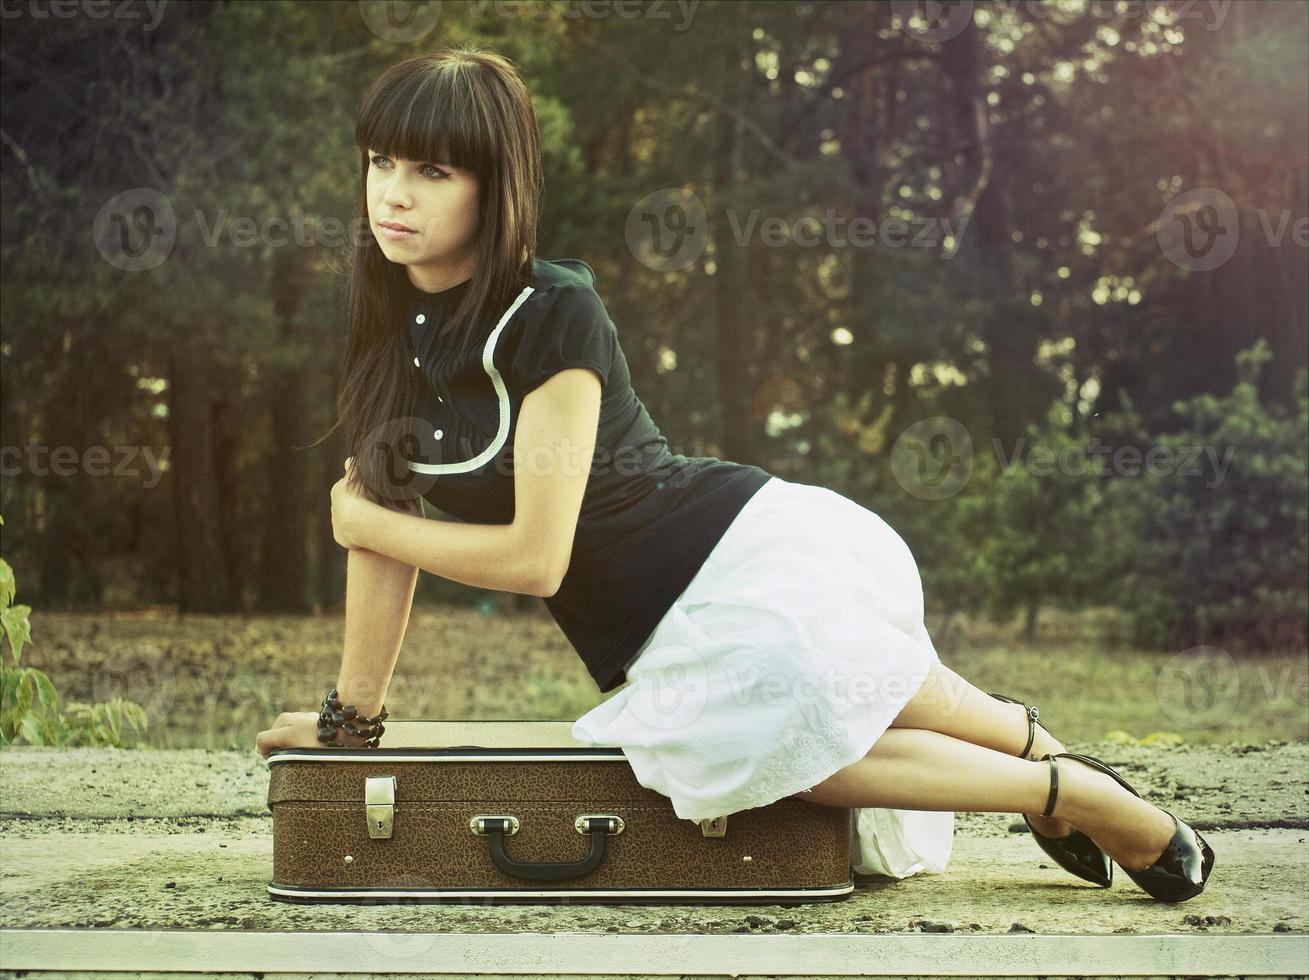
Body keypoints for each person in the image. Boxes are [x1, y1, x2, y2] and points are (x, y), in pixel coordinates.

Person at [255, 45, 1214, 902]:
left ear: (492, 185)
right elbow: (378, 525)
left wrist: (366, 523)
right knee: (845, 717)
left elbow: (533, 558)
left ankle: (1075, 794)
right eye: (381, 162)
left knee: (781, 753)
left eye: (432, 170)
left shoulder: (552, 311)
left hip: (736, 556)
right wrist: (350, 726)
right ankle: (1053, 761)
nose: (394, 194)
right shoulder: (385, 321)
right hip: (664, 631)